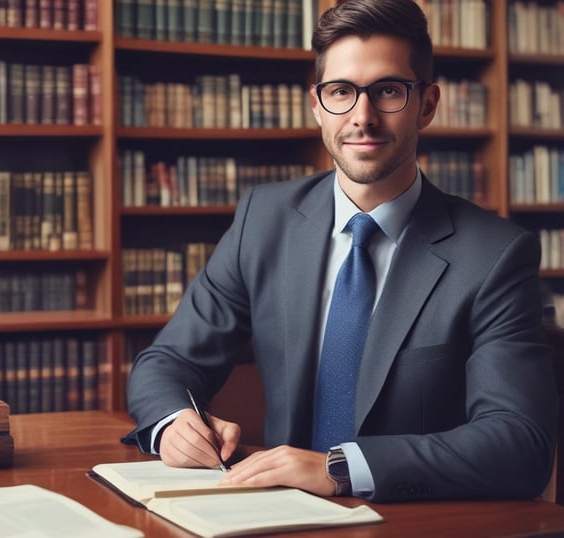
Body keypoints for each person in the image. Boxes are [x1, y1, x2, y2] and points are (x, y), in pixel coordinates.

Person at [123, 0, 558, 503]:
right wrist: (174, 423)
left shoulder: (496, 256)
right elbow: (168, 361)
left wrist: (338, 468)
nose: (362, 117)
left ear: (429, 104)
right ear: (317, 105)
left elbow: (519, 444)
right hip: (273, 517)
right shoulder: (263, 220)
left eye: (389, 91)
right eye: (341, 92)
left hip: (412, 526)